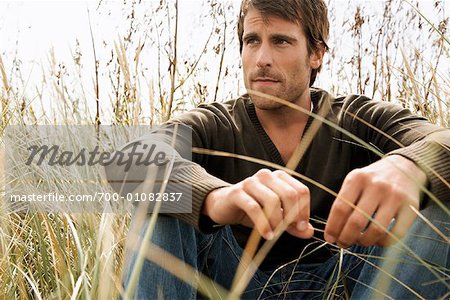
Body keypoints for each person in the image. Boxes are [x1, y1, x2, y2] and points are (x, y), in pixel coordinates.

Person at [116, 0, 450, 298]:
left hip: (351, 278)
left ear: (315, 53)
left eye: (281, 41)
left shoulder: (355, 117)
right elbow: (128, 162)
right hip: (232, 280)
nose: (262, 59)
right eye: (252, 41)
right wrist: (215, 199)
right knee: (162, 202)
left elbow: (440, 141)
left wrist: (409, 166)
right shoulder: (214, 123)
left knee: (439, 195)